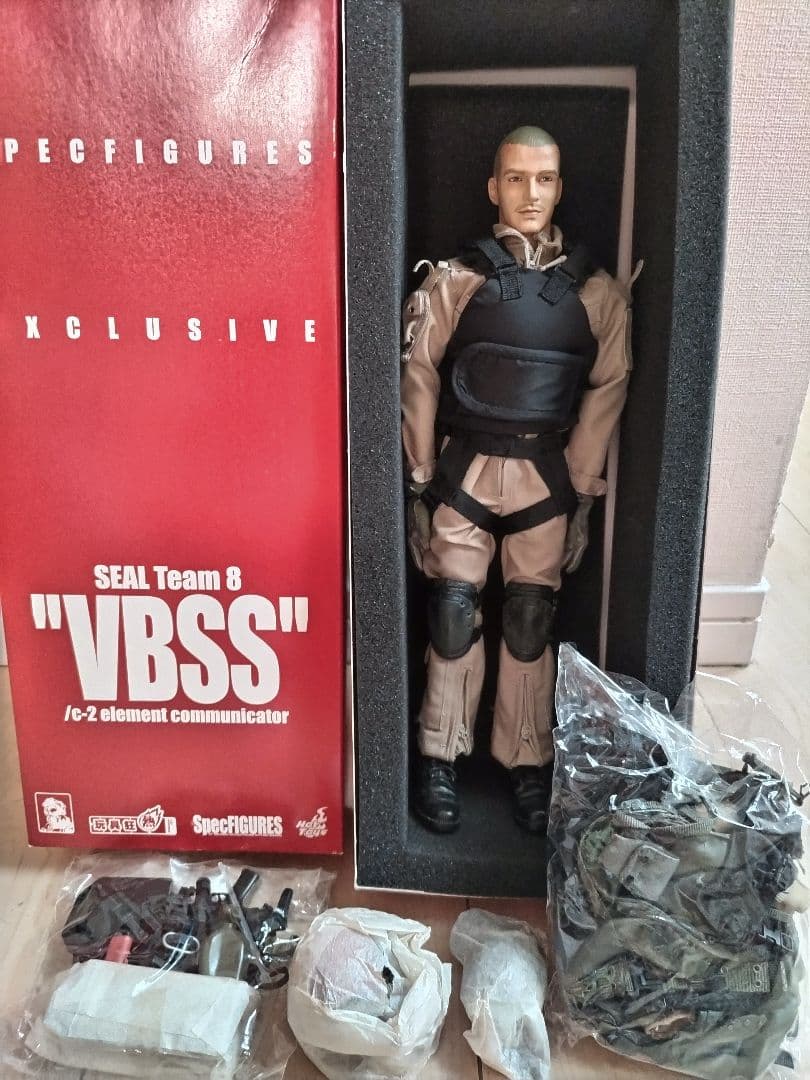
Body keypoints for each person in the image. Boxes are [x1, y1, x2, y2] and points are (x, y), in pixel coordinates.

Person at [401, 125, 632, 834]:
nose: (530, 194)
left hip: (544, 477)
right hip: (464, 469)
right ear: (493, 187)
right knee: (452, 612)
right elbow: (418, 376)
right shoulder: (455, 281)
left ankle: (527, 756)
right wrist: (418, 477)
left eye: (544, 179)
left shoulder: (597, 296)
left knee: (532, 619)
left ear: (560, 188)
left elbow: (607, 390)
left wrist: (583, 491)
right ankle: (440, 751)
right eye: (515, 178)